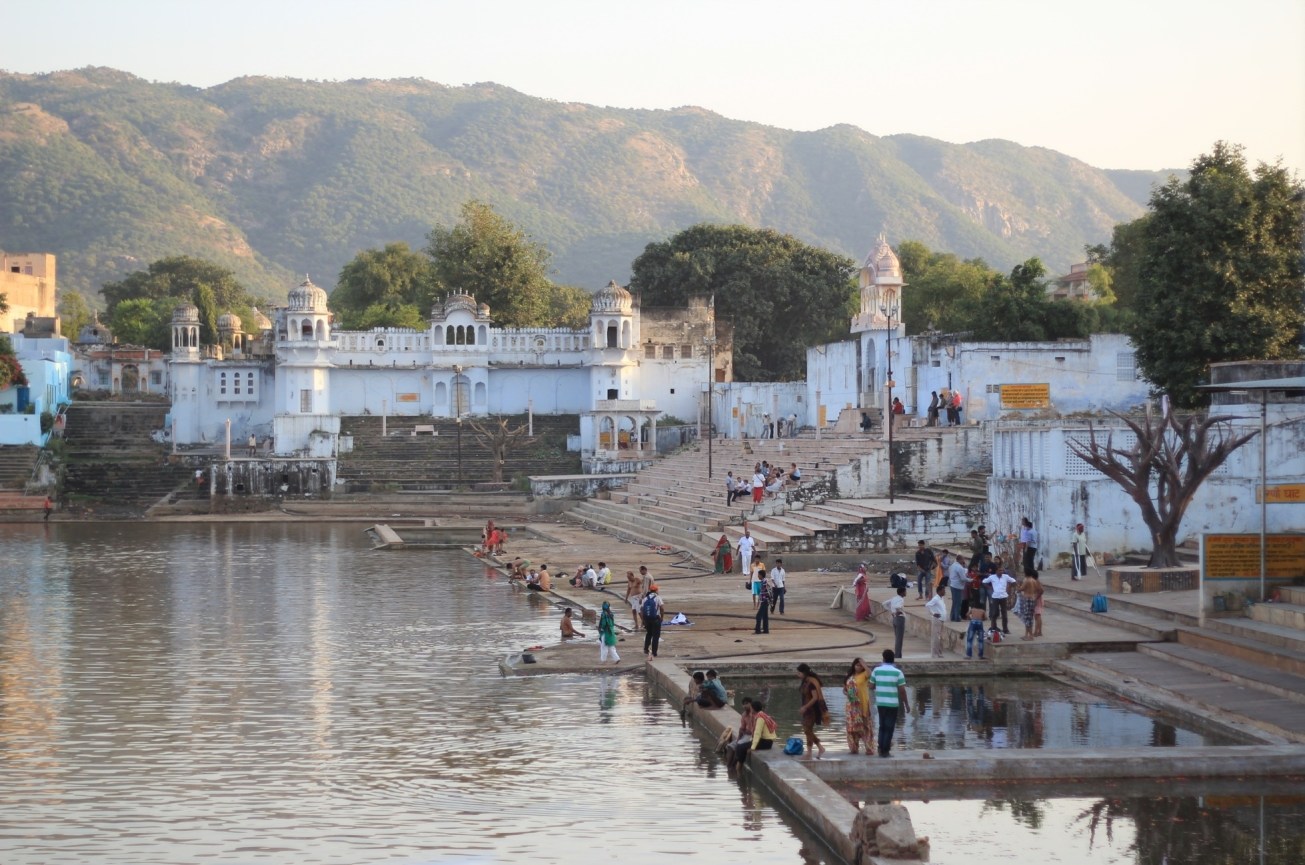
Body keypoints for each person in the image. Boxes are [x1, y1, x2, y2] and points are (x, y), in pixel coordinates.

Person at [871, 650, 909, 758]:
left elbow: (871, 686)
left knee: (882, 726)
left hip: (880, 703)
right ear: (893, 659)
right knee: (889, 727)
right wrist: (906, 704)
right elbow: (902, 691)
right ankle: (885, 751)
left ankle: (880, 748)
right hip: (892, 704)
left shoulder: (876, 670)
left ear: (883, 658)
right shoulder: (898, 672)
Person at [796, 663, 827, 758]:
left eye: (799, 673)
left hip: (813, 709)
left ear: (804, 673)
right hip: (807, 710)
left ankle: (817, 749)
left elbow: (815, 698)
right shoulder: (805, 681)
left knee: (807, 729)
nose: (797, 675)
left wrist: (805, 707)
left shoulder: (812, 683)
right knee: (807, 730)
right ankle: (812, 751)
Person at [843, 658, 873, 755]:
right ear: (853, 666)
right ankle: (854, 748)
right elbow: (844, 689)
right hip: (851, 706)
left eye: (860, 666)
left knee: (865, 727)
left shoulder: (864, 675)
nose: (858, 667)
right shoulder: (849, 676)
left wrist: (864, 664)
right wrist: (846, 693)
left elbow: (870, 673)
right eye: (857, 665)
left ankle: (869, 748)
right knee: (852, 728)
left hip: (862, 704)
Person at [983, 567, 1017, 635]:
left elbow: (1013, 581)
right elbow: (984, 582)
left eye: (1002, 570)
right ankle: (993, 627)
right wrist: (990, 588)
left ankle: (1005, 629)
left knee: (1004, 613)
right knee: (994, 613)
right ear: (996, 571)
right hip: (995, 597)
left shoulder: (1006, 576)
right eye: (999, 570)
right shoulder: (992, 577)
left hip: (1003, 597)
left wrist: (1009, 586)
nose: (1001, 571)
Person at [726, 699, 757, 770]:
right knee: (731, 746)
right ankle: (728, 766)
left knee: (739, 746)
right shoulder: (744, 715)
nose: (744, 706)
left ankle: (733, 766)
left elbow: (754, 731)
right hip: (745, 735)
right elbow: (742, 728)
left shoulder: (755, 715)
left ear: (751, 704)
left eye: (747, 703)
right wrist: (739, 737)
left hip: (752, 736)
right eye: (743, 704)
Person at [1019, 572, 1044, 640]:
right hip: (1033, 598)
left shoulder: (1031, 581)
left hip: (1032, 599)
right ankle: (1032, 633)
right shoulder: (1034, 581)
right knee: (1032, 616)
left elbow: (1041, 590)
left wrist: (1036, 597)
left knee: (1034, 616)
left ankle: (1034, 633)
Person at [641, 584, 664, 659]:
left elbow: (642, 610)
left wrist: (643, 620)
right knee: (655, 636)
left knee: (649, 633)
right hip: (655, 619)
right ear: (656, 590)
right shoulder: (657, 598)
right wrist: (662, 617)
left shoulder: (645, 598)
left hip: (647, 619)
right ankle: (654, 652)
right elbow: (662, 608)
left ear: (650, 590)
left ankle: (646, 649)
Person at [925, 584, 947, 658]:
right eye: (944, 590)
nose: (945, 591)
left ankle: (939, 653)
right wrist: (933, 613)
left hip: (942, 619)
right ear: (940, 591)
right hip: (937, 619)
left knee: (939, 637)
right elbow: (927, 605)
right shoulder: (936, 599)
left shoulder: (941, 598)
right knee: (935, 637)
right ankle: (934, 654)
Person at [946, 552, 968, 622]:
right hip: (957, 586)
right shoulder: (959, 567)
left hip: (953, 585)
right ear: (960, 560)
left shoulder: (952, 566)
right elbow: (963, 578)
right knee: (958, 602)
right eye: (963, 559)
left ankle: (952, 616)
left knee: (954, 602)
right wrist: (970, 580)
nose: (964, 561)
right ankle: (957, 617)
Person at [754, 568, 771, 634]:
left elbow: (768, 591)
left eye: (758, 575)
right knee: (765, 616)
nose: (758, 576)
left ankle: (758, 630)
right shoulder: (764, 581)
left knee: (758, 616)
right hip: (764, 601)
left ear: (761, 575)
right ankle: (766, 630)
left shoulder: (764, 582)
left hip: (765, 601)